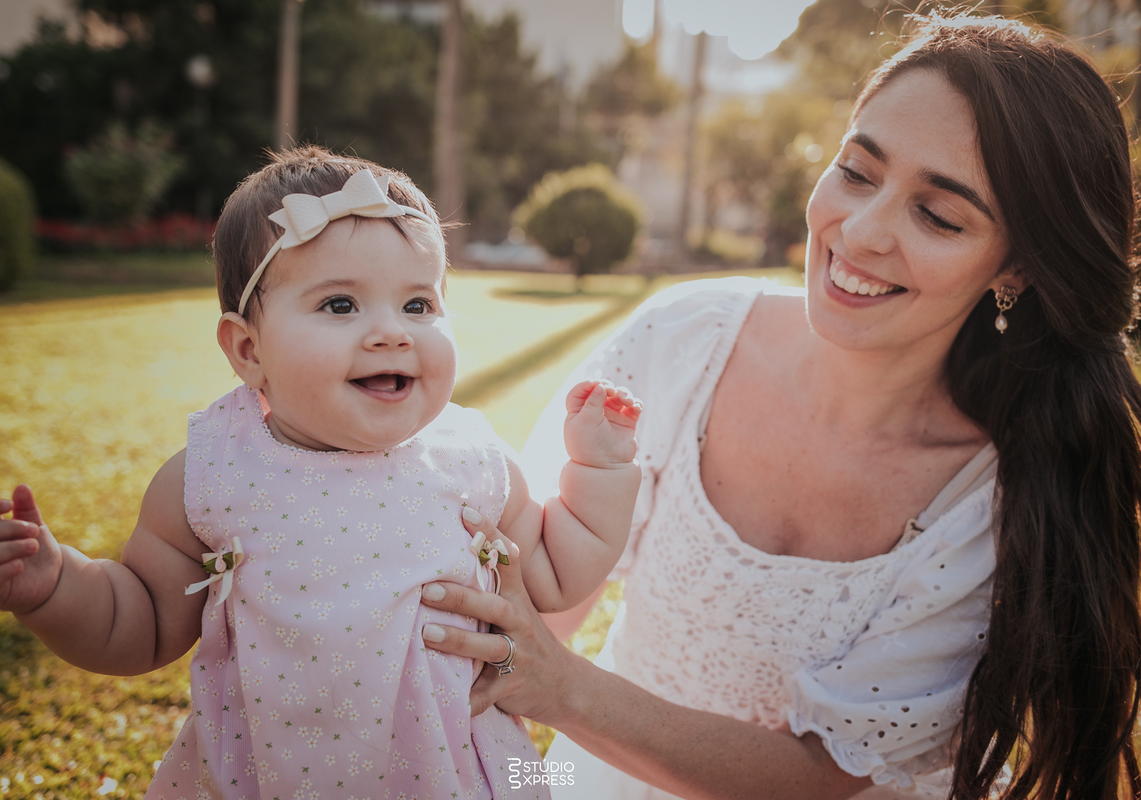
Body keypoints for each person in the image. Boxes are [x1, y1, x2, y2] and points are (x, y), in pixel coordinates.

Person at [417, 14, 1141, 800]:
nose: (860, 232)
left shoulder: (990, 495)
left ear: (1018, 268)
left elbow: (817, 777)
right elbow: (525, 614)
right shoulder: (682, 341)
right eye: (858, 172)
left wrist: (558, 689)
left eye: (937, 215)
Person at [0, 148, 644, 800]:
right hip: (267, 777)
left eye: (418, 305)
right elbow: (137, 620)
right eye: (341, 305)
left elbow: (555, 572)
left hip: (461, 771)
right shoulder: (213, 476)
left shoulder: (471, 459)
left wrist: (600, 470)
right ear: (248, 349)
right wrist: (54, 587)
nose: (392, 333)